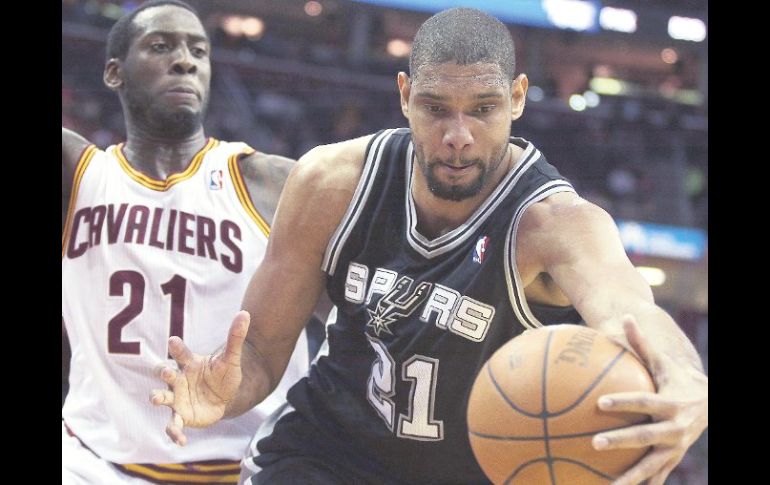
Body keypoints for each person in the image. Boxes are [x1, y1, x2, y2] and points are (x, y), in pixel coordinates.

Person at [152, 7, 708, 485]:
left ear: (517, 99)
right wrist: (226, 392)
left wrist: (686, 376)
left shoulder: (555, 224)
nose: (458, 135)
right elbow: (259, 353)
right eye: (436, 108)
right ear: (404, 95)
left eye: (483, 109)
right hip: (325, 456)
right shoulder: (333, 182)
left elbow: (631, 310)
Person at [61, 1, 318, 483]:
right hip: (93, 463)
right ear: (114, 73)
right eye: (161, 47)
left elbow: (356, 319)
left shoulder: (270, 184)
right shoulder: (77, 174)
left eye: (198, 50)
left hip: (251, 466)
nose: (185, 60)